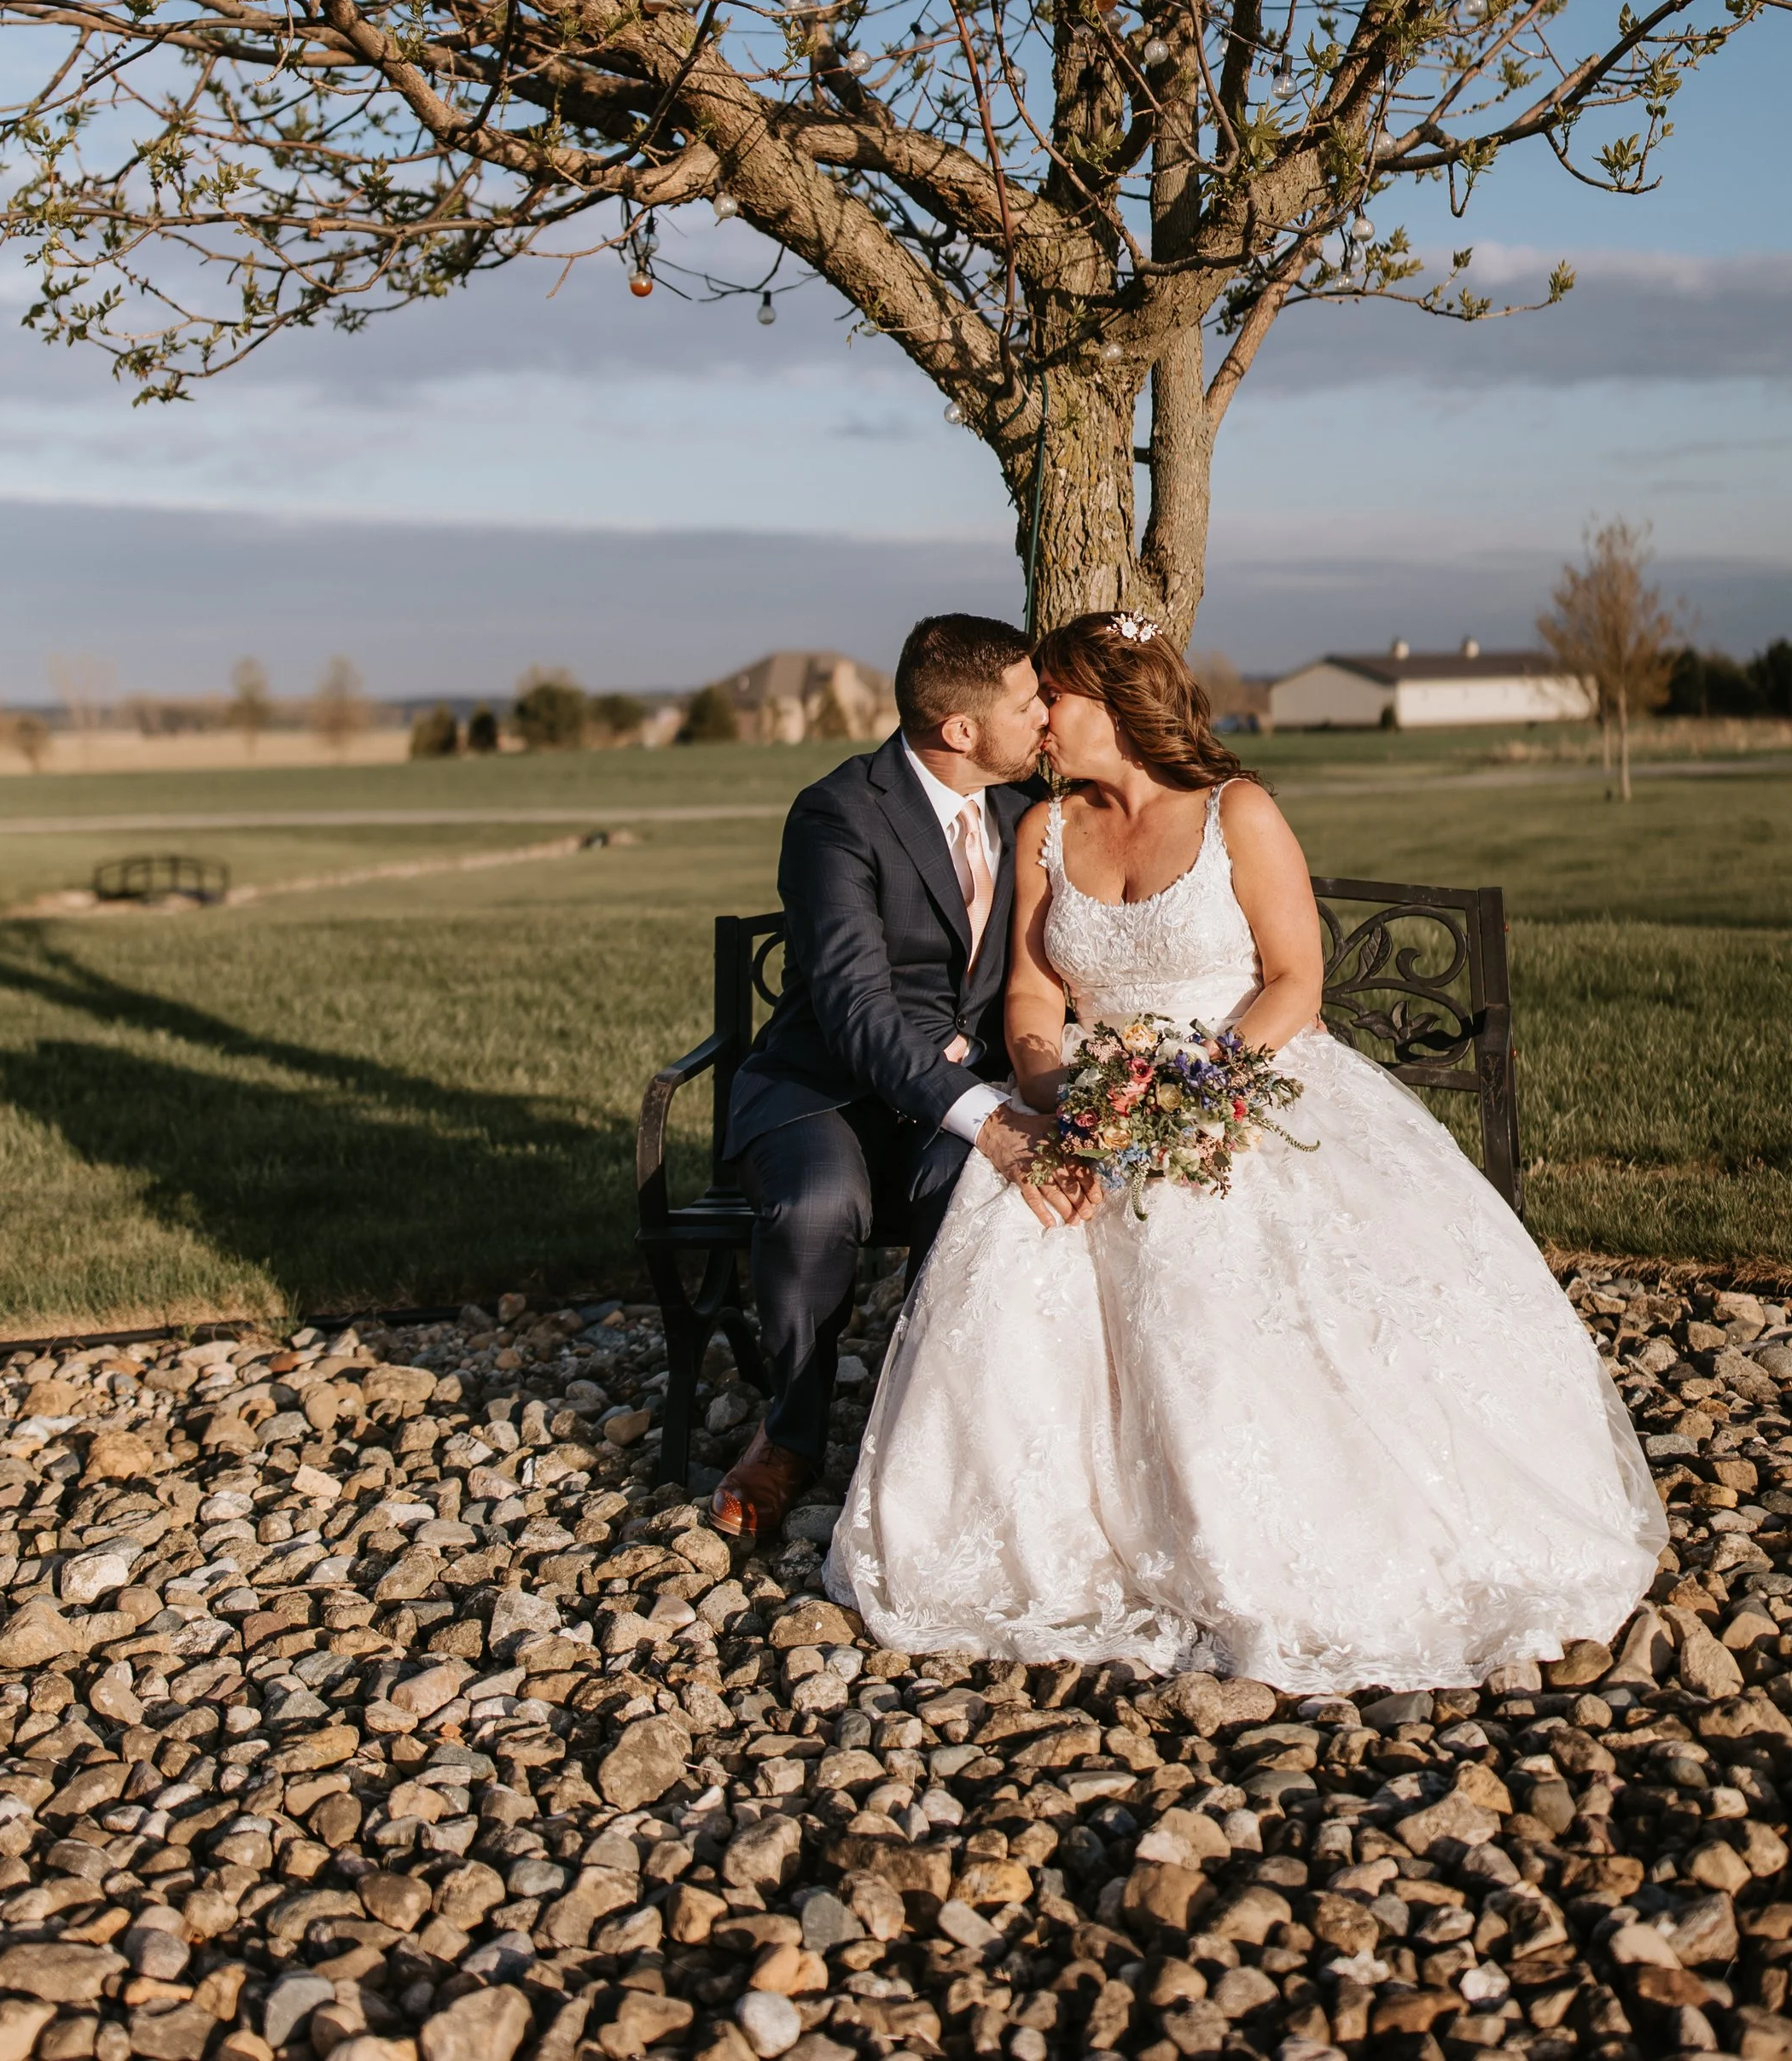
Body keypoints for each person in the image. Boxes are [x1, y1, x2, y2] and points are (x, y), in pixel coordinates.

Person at [829, 608, 1666, 1684]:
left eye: (1058, 698)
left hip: (1241, 1082)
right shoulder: (1041, 829)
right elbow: (1034, 993)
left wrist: (1190, 1094)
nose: (1039, 719)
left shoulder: (1239, 811)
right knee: (1033, 1230)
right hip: (1091, 1095)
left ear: (1118, 708)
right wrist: (1058, 1101)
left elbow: (1293, 984)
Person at [711, 612, 1085, 1542]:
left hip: (963, 1096)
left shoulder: (1027, 810)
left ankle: (921, 1444)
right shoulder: (838, 814)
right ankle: (788, 1436)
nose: (1047, 715)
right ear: (961, 730)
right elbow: (852, 1010)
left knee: (977, 1199)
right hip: (823, 1086)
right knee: (813, 1206)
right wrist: (989, 1119)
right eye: (1029, 699)